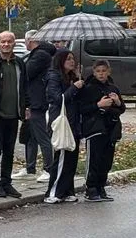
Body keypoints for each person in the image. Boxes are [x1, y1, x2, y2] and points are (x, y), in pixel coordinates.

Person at [79, 60, 125, 202]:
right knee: (95, 159)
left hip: (111, 128)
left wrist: (117, 102)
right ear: (94, 72)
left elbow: (121, 109)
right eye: (98, 71)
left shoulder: (113, 88)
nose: (101, 74)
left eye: (104, 71)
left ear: (108, 72)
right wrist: (98, 105)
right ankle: (91, 188)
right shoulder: (88, 88)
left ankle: (101, 186)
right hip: (95, 128)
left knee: (106, 161)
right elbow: (82, 109)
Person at [0, 31, 26, 198]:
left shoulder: (19, 63)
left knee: (9, 150)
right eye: (3, 42)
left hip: (14, 114)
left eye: (9, 41)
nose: (6, 44)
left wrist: (26, 106)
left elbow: (24, 86)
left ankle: (6, 182)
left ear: (14, 44)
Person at [44, 50, 83, 204]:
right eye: (68, 59)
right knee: (61, 157)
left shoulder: (72, 77)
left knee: (71, 159)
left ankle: (67, 190)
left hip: (73, 121)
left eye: (73, 59)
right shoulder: (54, 76)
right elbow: (58, 98)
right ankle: (53, 191)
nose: (72, 62)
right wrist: (74, 88)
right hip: (61, 121)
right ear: (60, 61)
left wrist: (79, 78)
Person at [23, 30, 58, 184]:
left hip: (36, 100)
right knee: (30, 136)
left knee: (41, 136)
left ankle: (49, 169)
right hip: (32, 99)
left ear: (30, 40)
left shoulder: (40, 55)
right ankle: (30, 168)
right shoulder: (38, 54)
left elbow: (26, 73)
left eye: (26, 41)